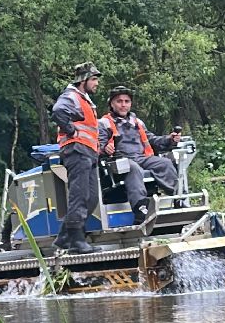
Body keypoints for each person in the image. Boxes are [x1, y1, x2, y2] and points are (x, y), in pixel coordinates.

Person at [98, 85, 183, 222]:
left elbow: (153, 140)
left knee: (165, 163)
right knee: (132, 167)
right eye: (119, 101)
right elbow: (98, 147)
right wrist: (105, 149)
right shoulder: (104, 123)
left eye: (127, 101)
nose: (123, 105)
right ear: (111, 103)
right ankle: (140, 208)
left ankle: (176, 198)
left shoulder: (137, 123)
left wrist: (170, 139)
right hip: (118, 162)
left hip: (141, 158)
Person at [49, 61, 103, 253]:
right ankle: (76, 240)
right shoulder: (71, 96)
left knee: (91, 198)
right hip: (77, 151)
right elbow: (57, 112)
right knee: (79, 196)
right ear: (84, 80)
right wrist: (71, 130)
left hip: (88, 152)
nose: (97, 83)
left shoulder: (84, 99)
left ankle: (63, 237)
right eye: (94, 79)